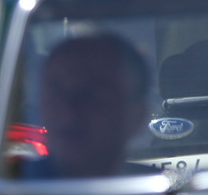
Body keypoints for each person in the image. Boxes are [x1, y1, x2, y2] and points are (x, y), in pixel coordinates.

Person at [23, 33, 149, 179]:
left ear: (136, 116)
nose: (68, 110)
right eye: (56, 92)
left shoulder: (164, 193)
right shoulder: (10, 190)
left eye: (90, 94)